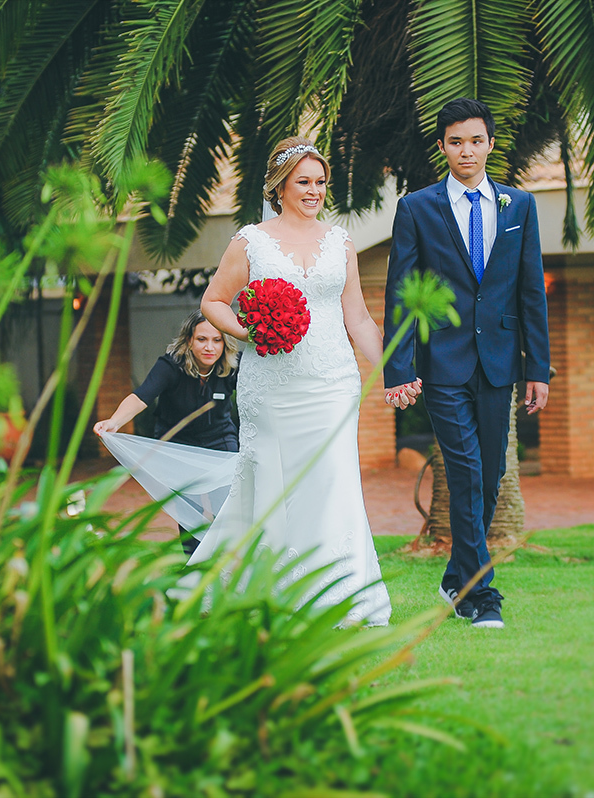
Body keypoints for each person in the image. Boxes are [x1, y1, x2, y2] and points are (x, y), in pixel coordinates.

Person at [189, 136, 392, 627]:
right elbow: (213, 301)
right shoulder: (251, 241)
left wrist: (392, 369)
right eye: (304, 181)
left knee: (334, 481)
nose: (314, 191)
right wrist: (248, 329)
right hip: (272, 386)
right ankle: (269, 588)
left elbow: (359, 318)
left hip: (332, 381)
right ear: (280, 187)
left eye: (321, 183)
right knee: (273, 482)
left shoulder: (340, 241)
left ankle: (339, 595)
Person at [383, 98, 551, 629]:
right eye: (456, 141)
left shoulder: (519, 207)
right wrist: (399, 368)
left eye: (476, 140)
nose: (467, 150)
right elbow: (403, 293)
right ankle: (481, 598)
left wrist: (538, 369)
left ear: (490, 144)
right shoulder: (417, 208)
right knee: (466, 470)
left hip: (500, 365)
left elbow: (530, 293)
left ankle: (457, 575)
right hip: (442, 365)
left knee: (492, 474)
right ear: (442, 148)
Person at [94, 310, 239, 556]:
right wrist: (114, 422)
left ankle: (225, 566)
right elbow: (142, 396)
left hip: (220, 440)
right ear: (189, 340)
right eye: (202, 339)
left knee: (226, 508)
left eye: (217, 340)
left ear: (225, 343)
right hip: (179, 447)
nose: (209, 347)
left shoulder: (232, 365)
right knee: (191, 514)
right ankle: (195, 569)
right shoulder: (170, 366)